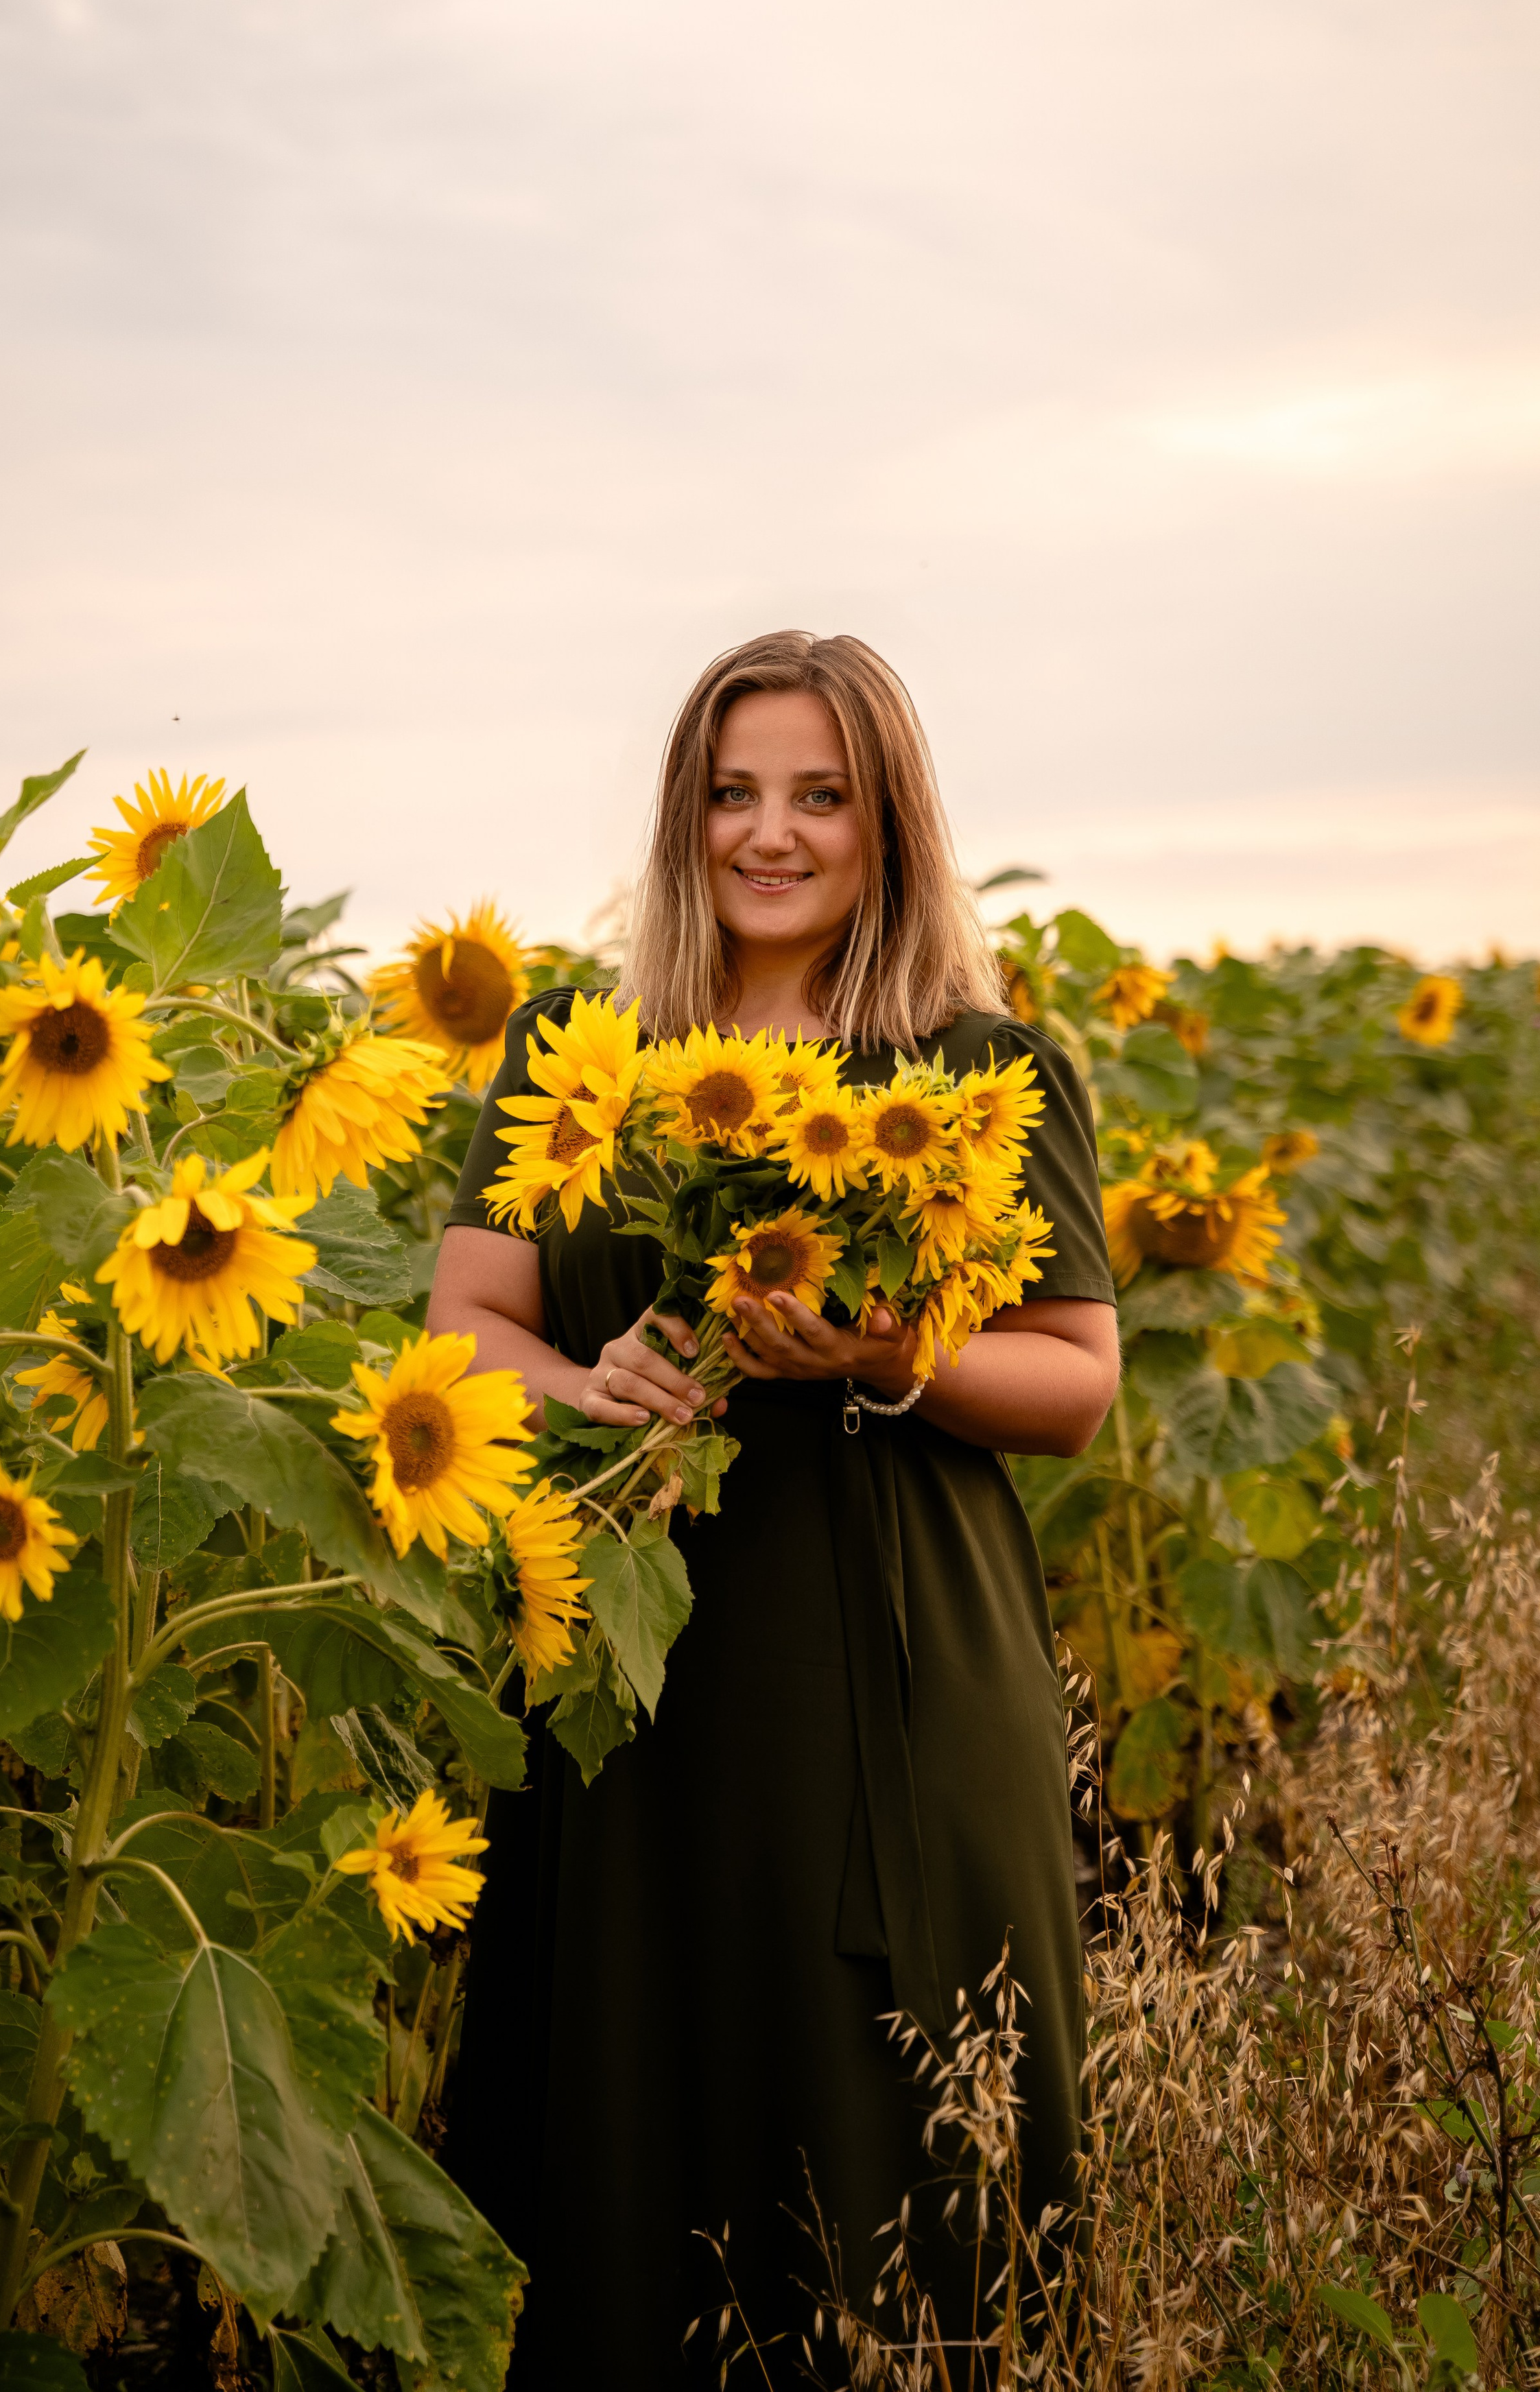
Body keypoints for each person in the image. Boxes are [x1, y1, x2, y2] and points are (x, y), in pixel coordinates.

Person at [432, 632, 1119, 2384]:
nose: (770, 834)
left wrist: (891, 1355)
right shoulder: (574, 1056)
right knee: (626, 2104)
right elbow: (467, 1326)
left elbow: (1072, 1378)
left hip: (891, 1658)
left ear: (885, 818)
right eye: (732, 794)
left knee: (886, 2116)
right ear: (684, 821)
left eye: (817, 795)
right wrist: (585, 1389)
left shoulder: (973, 1071)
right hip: (629, 1668)